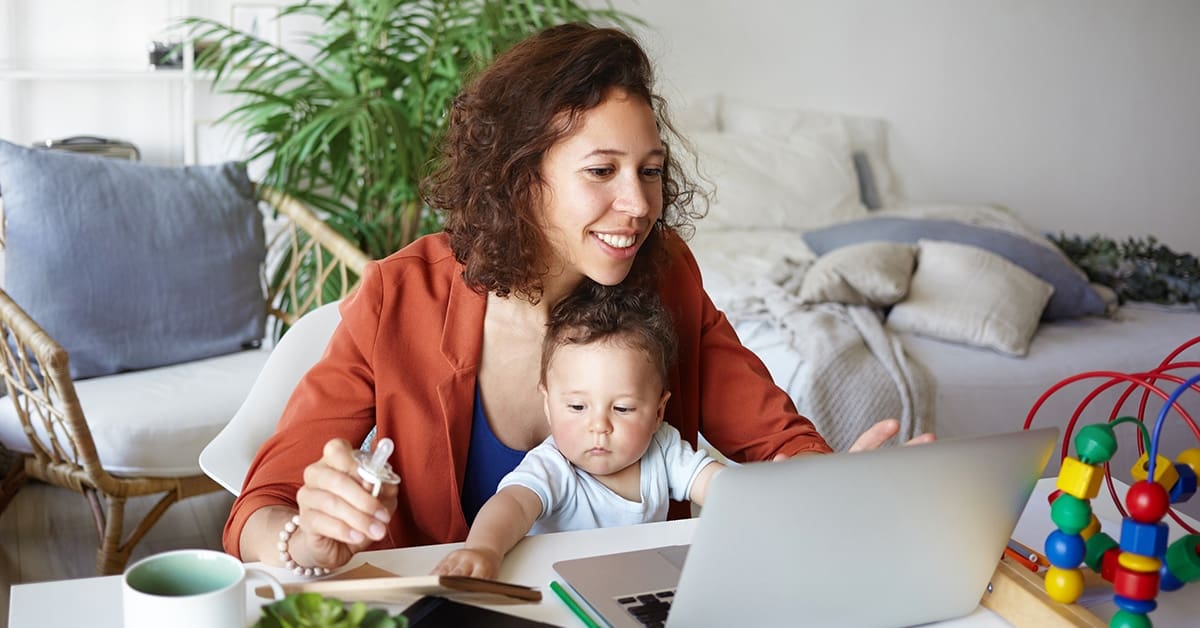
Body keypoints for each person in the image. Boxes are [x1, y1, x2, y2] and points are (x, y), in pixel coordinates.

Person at [225, 22, 932, 574]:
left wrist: (836, 485)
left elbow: (775, 442)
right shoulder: (399, 296)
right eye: (602, 170)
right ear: (519, 175)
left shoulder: (668, 277)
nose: (637, 204)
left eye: (650, 171)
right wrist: (307, 539)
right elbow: (259, 512)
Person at [434, 284, 723, 579]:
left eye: (622, 409)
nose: (599, 426)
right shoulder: (554, 466)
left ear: (658, 412)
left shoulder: (663, 449)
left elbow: (719, 486)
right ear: (548, 404)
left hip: (633, 587)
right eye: (576, 407)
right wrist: (484, 549)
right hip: (556, 590)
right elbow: (513, 505)